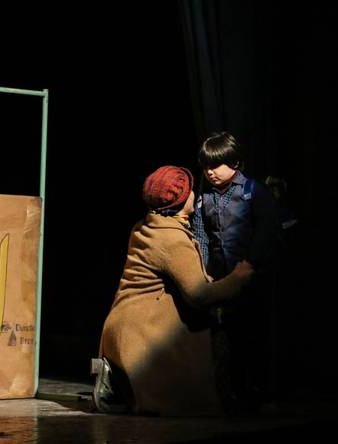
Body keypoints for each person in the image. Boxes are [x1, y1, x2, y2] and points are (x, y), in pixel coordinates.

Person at [94, 165, 253, 416]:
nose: (194, 194)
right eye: (189, 191)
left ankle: (120, 384)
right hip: (144, 331)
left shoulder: (146, 226)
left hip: (122, 326)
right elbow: (198, 295)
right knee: (211, 342)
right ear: (180, 200)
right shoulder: (171, 239)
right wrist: (238, 278)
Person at [191, 132, 280, 410]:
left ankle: (258, 393)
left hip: (252, 278)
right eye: (206, 165)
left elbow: (267, 230)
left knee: (255, 334)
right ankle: (231, 394)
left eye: (216, 165)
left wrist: (250, 262)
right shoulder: (205, 197)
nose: (210, 171)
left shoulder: (253, 191)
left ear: (235, 163)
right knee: (225, 337)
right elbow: (201, 234)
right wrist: (204, 269)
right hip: (221, 281)